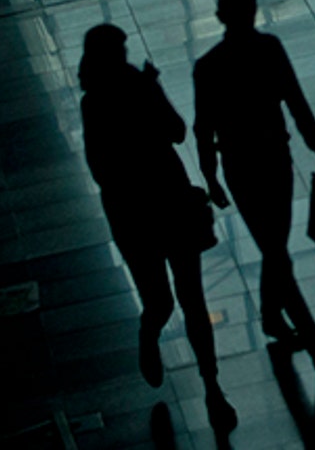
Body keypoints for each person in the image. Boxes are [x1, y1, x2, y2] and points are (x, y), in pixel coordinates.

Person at [78, 24, 235, 431]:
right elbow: (176, 131)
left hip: (136, 213)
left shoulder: (96, 101)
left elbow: (102, 169)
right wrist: (151, 93)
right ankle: (209, 385)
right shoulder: (120, 91)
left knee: (171, 299)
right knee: (183, 299)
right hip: (163, 202)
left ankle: (206, 382)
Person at [194, 0, 315, 370]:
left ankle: (273, 317)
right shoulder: (269, 49)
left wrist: (211, 177)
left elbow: (203, 128)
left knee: (273, 248)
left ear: (219, 16)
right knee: (276, 250)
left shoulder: (209, 66)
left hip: (240, 166)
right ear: (253, 11)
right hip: (275, 158)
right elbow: (296, 102)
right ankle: (314, 343)